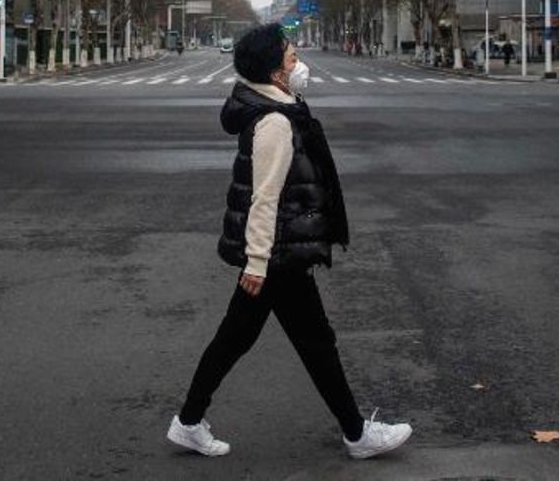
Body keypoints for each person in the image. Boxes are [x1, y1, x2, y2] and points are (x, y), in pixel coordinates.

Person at [168, 23, 412, 460]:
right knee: (315, 343)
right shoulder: (276, 121)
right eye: (291, 56)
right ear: (274, 71)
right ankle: (357, 435)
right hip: (279, 255)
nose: (298, 62)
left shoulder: (280, 108)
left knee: (237, 339)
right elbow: (265, 196)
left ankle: (188, 421)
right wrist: (258, 262)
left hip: (278, 253)